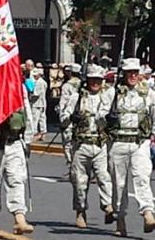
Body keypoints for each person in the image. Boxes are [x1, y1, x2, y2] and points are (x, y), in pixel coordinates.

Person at [106, 58, 155, 236]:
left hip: (140, 142)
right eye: (129, 72)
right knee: (119, 183)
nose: (132, 75)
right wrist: (108, 118)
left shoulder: (147, 93)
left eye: (135, 72)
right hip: (118, 142)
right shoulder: (112, 93)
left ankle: (148, 214)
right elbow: (101, 116)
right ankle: (120, 219)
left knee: (142, 177)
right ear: (123, 73)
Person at [60, 64, 114, 229]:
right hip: (81, 144)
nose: (95, 83)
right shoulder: (77, 97)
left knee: (104, 177)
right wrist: (71, 117)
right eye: (92, 80)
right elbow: (62, 118)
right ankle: (80, 211)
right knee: (80, 182)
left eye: (98, 80)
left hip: (100, 144)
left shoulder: (107, 97)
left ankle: (107, 206)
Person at [0, 104, 34, 238]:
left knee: (17, 179)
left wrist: (28, 140)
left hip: (14, 142)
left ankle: (19, 217)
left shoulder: (18, 88)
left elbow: (27, 113)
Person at [30, 68, 48, 141]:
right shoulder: (43, 82)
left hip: (37, 103)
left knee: (35, 118)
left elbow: (37, 94)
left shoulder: (39, 83)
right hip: (42, 103)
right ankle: (43, 132)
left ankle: (35, 133)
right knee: (42, 118)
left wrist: (30, 97)